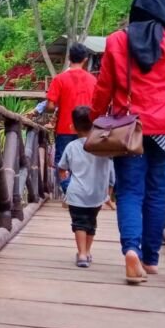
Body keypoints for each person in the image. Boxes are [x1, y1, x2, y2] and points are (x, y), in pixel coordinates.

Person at [91, 0, 165, 285]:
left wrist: (95, 117)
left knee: (129, 191)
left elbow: (104, 87)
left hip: (127, 129)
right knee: (156, 190)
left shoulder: (116, 42)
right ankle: (151, 259)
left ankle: (131, 251)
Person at [58, 107, 115, 268]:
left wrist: (65, 178)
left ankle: (81, 253)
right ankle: (88, 251)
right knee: (91, 222)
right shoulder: (104, 147)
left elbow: (62, 167)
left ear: (72, 127)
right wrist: (109, 193)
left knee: (79, 223)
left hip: (77, 193)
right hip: (97, 194)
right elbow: (111, 172)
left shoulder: (72, 147)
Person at [46, 43, 97, 193]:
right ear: (85, 59)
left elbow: (50, 105)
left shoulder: (59, 79)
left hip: (65, 127)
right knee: (86, 161)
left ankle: (69, 191)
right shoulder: (93, 80)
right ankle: (81, 193)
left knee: (62, 161)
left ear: (69, 58)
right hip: (88, 129)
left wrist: (57, 107)